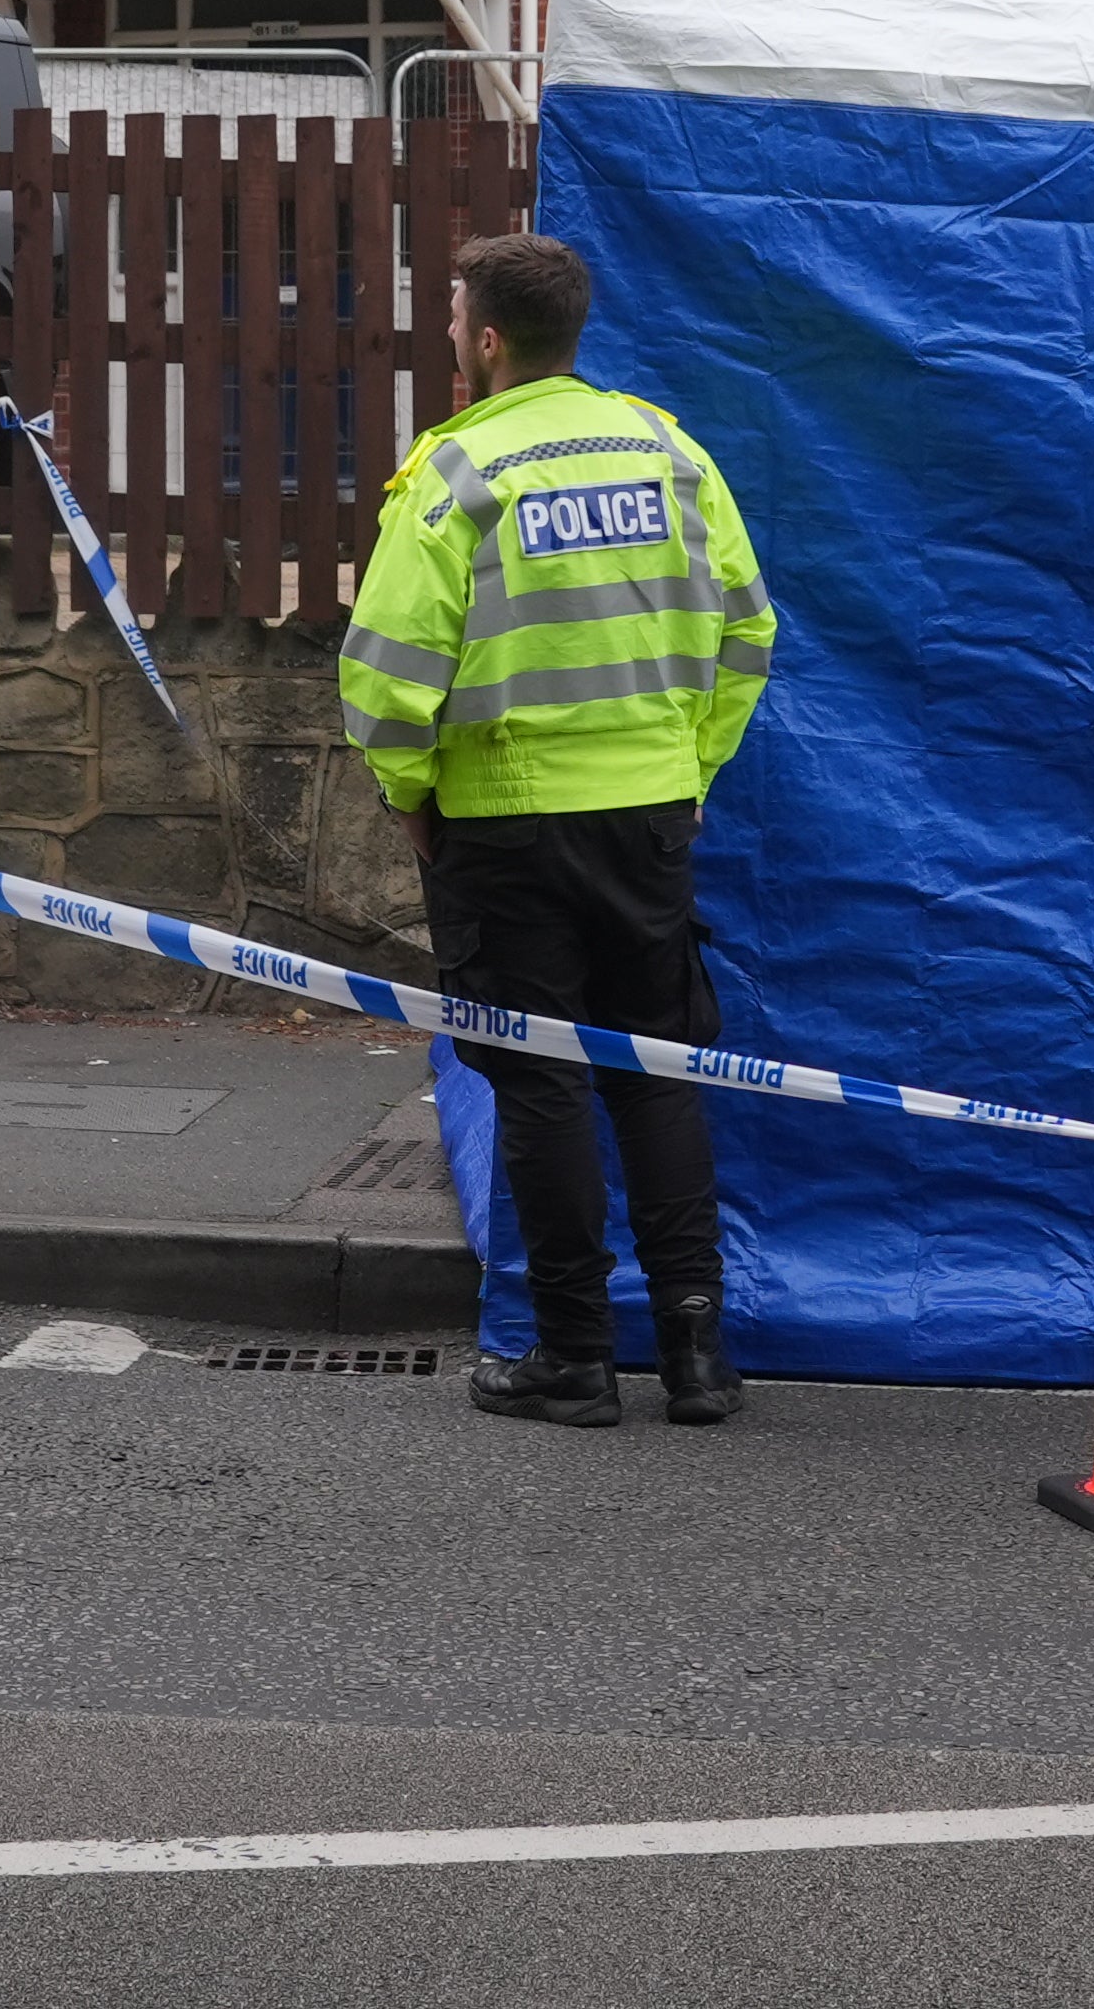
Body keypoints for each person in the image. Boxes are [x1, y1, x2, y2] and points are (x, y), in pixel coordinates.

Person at [337, 229, 775, 1429]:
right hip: (647, 816)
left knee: (540, 1086)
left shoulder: (457, 470)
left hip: (504, 827)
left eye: (452, 318)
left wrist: (411, 798)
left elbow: (384, 678)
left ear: (486, 338)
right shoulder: (670, 452)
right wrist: (689, 770)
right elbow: (749, 633)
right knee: (657, 1076)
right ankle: (697, 1355)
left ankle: (573, 1355)